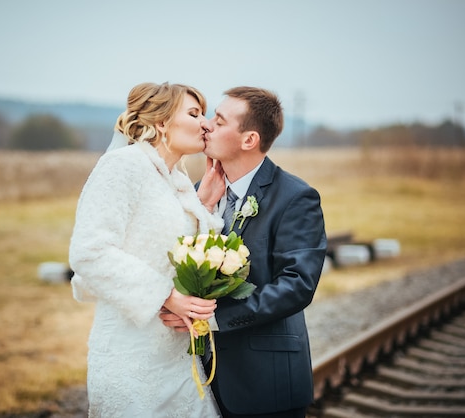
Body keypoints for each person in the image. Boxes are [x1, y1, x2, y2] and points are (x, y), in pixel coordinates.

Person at [161, 86, 327, 417]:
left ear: (248, 140)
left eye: (219, 122)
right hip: (198, 382)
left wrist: (214, 319)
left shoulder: (296, 197)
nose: (206, 125)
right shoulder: (199, 193)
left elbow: (297, 285)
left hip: (265, 381)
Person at [69, 82, 226, 417]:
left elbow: (178, 250)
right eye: (195, 113)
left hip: (178, 357)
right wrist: (167, 297)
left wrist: (206, 205)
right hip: (131, 353)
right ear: (162, 123)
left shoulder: (179, 182)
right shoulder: (122, 166)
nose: (206, 123)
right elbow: (90, 251)